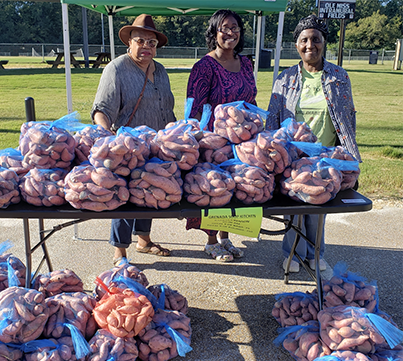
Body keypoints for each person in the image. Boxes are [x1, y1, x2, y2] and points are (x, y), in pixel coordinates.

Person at [266, 15, 361, 273]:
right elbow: (272, 118)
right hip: (293, 157)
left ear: (324, 43)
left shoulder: (339, 77)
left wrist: (351, 158)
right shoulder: (285, 79)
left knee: (319, 210)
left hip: (327, 156)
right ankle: (293, 254)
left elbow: (347, 119)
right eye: (304, 40)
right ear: (296, 45)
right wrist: (269, 155)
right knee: (295, 209)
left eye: (316, 39)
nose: (310, 45)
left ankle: (316, 255)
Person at [91, 14, 176, 265]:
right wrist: (108, 139)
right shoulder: (116, 68)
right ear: (129, 42)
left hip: (155, 146)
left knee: (148, 194)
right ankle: (120, 251)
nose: (147, 47)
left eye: (152, 43)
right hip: (126, 149)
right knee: (124, 197)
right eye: (141, 41)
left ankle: (144, 241)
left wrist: (174, 136)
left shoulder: (160, 71)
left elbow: (167, 108)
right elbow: (102, 109)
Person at [186, 9, 257, 262]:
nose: (230, 33)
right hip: (214, 142)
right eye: (224, 28)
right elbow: (194, 107)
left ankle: (227, 237)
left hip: (244, 141)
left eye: (235, 28)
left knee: (237, 189)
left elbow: (252, 99)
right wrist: (199, 139)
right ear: (214, 32)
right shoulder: (204, 67)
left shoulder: (246, 63)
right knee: (215, 190)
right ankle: (211, 240)